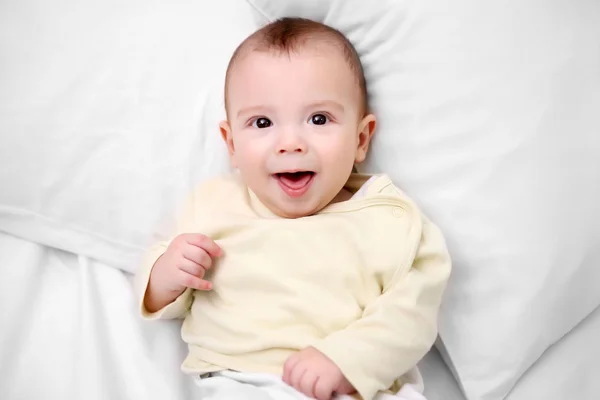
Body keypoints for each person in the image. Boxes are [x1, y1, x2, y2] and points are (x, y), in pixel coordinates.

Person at [136, 17, 451, 400]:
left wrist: (345, 360)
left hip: (357, 387)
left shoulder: (390, 219)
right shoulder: (213, 205)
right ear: (231, 144)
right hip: (238, 381)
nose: (290, 143)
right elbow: (164, 296)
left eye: (319, 119)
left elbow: (412, 317)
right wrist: (166, 274)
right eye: (262, 122)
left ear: (361, 138)